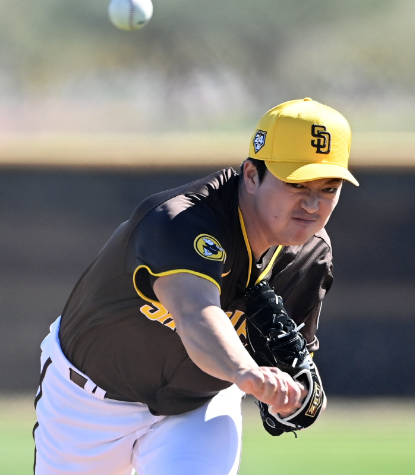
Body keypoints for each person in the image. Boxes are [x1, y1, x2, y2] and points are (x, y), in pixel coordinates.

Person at [33, 97, 358, 475]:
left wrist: (291, 397)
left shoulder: (310, 256)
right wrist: (246, 372)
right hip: (86, 401)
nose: (313, 204)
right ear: (252, 175)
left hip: (198, 409)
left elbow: (297, 367)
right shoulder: (180, 220)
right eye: (296, 183)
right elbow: (194, 313)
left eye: (329, 188)